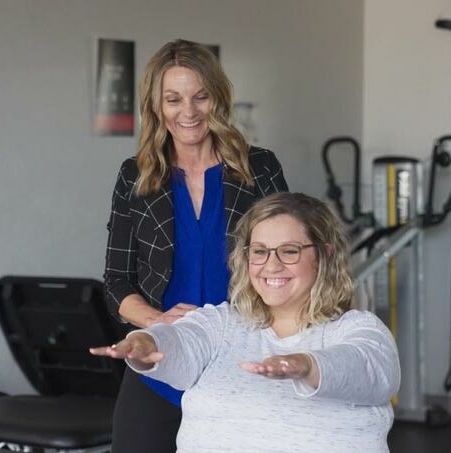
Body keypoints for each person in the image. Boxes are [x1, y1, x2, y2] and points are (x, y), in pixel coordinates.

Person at [93, 192, 401, 453]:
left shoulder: (359, 330)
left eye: (290, 251)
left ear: (324, 255)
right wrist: (148, 343)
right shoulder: (223, 323)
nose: (272, 265)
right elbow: (184, 341)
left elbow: (367, 367)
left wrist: (307, 365)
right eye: (260, 252)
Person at [104, 39, 288, 453]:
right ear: (157, 105)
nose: (188, 112)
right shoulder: (135, 175)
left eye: (200, 96)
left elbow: (288, 267)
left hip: (241, 363)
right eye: (173, 99)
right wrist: (157, 320)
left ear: (217, 99)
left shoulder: (260, 168)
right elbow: (116, 280)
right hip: (159, 363)